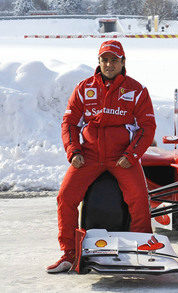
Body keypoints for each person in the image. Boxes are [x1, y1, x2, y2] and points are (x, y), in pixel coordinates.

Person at [47, 40, 156, 273]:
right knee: (65, 197)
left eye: (114, 60)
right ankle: (69, 253)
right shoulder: (84, 88)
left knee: (138, 198)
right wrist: (73, 150)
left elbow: (147, 127)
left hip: (122, 156)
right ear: (98, 62)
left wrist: (132, 154)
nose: (108, 64)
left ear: (123, 62)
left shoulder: (137, 90)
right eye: (104, 59)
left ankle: (144, 250)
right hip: (89, 155)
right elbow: (69, 123)